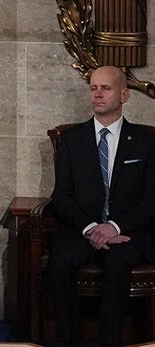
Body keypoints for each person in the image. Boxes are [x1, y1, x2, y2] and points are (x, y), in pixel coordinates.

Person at [48, 65, 155, 347]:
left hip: (128, 231)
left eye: (105, 88)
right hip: (83, 229)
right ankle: (67, 342)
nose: (97, 94)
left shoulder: (147, 142)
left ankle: (109, 343)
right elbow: (62, 195)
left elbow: (151, 198)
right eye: (93, 88)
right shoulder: (71, 140)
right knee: (60, 261)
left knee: (117, 264)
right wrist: (92, 228)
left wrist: (115, 227)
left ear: (124, 95)